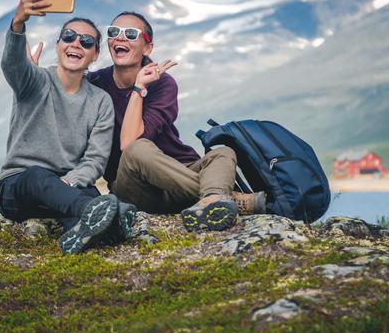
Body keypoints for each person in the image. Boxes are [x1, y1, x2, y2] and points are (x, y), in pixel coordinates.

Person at [85, 12, 264, 231]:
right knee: (137, 150)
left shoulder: (163, 84)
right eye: (114, 32)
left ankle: (213, 197)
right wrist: (138, 88)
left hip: (178, 170)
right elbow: (128, 144)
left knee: (223, 152)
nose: (120, 38)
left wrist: (142, 87)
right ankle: (227, 198)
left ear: (147, 48)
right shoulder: (94, 84)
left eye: (131, 34)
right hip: (135, 185)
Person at [0, 0, 136, 255]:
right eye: (68, 37)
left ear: (95, 55)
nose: (75, 44)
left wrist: (70, 182)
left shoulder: (100, 101)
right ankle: (100, 215)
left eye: (86, 41)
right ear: (59, 45)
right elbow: (12, 65)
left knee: (91, 195)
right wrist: (18, 22)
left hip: (67, 187)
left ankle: (83, 234)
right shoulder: (33, 81)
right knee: (39, 178)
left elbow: (95, 160)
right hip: (19, 187)